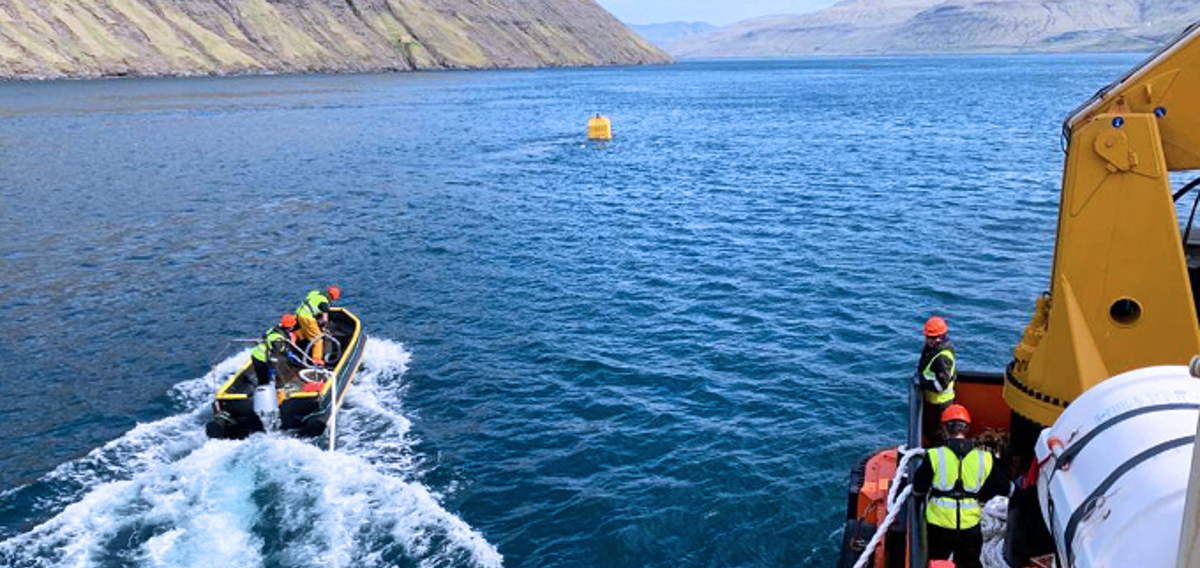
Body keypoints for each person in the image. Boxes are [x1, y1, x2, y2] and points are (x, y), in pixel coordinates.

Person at [913, 405, 1005, 568]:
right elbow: (1000, 486)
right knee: (969, 564)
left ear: (944, 429)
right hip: (969, 526)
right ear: (967, 429)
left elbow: (918, 488)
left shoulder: (934, 456)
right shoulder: (985, 458)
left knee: (937, 563)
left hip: (939, 525)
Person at [915, 315, 957, 445]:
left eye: (933, 338)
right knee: (929, 431)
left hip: (940, 404)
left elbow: (941, 386)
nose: (929, 340)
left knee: (939, 436)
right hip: (932, 402)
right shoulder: (932, 350)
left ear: (942, 337)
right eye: (928, 337)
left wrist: (921, 382)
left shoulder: (942, 358)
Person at [294, 285, 341, 366]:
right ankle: (316, 359)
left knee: (308, 330)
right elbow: (325, 320)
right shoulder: (324, 303)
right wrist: (322, 325)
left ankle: (295, 334)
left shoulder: (315, 293)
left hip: (299, 314)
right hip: (307, 318)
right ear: (332, 297)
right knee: (318, 339)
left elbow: (311, 304)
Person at [250, 315, 295, 386]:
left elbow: (263, 335)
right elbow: (277, 353)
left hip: (255, 354)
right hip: (262, 358)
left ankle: (263, 386)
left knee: (261, 379)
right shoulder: (278, 339)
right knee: (274, 373)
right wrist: (287, 351)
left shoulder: (274, 329)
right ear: (290, 327)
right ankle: (278, 387)